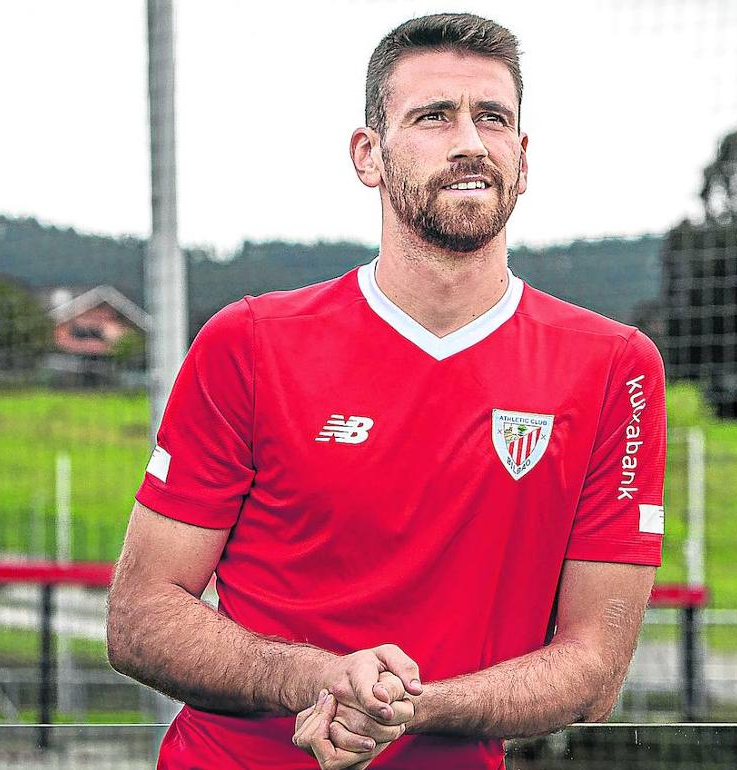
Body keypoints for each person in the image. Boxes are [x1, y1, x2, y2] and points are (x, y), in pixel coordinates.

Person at [106, 12, 667, 770]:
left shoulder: (616, 370)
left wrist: (405, 711)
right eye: (434, 116)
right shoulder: (248, 342)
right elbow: (140, 617)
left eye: (493, 118)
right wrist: (314, 679)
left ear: (523, 159)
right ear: (368, 155)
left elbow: (595, 671)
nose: (470, 142)